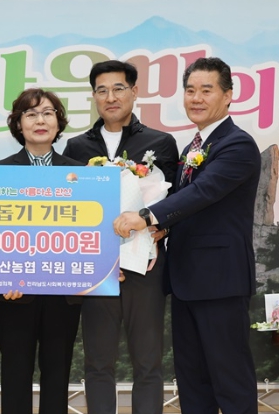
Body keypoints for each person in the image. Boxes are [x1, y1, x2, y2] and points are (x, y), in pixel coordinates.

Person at [114, 57, 260, 414]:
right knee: (193, 385)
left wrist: (145, 217)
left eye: (206, 90)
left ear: (228, 95)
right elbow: (189, 207)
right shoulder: (193, 147)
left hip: (221, 282)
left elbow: (203, 192)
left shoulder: (237, 145)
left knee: (231, 382)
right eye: (190, 90)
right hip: (185, 282)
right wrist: (165, 226)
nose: (196, 98)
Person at [63, 60, 178, 414]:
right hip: (98, 269)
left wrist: (161, 227)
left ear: (134, 92)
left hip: (145, 267)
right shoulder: (76, 147)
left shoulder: (161, 143)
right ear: (93, 96)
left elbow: (175, 202)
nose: (110, 97)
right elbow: (69, 208)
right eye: (102, 90)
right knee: (98, 363)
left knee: (148, 362)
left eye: (118, 89)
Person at [0, 88, 83, 414]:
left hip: (64, 291)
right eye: (30, 114)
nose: (40, 120)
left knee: (57, 374)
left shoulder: (81, 174)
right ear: (18, 124)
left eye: (47, 113)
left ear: (59, 122)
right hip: (14, 292)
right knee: (14, 374)